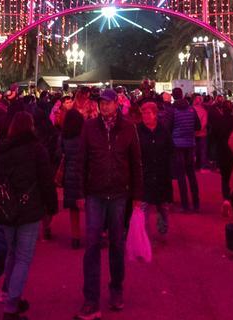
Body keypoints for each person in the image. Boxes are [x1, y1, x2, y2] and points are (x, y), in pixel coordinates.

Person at [75, 92, 142, 320]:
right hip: (95, 193)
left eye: (108, 103)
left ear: (117, 104)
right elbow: (81, 160)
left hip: (119, 194)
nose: (104, 107)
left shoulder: (128, 129)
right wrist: (80, 193)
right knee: (92, 246)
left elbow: (136, 163)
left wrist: (137, 195)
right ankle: (91, 298)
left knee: (117, 244)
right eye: (101, 103)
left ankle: (116, 290)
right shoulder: (89, 128)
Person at [0, 113, 57, 320]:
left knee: (13, 253)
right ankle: (11, 305)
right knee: (23, 257)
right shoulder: (36, 149)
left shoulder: (3, 149)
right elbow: (46, 179)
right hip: (29, 208)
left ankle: (11, 293)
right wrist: (51, 205)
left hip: (8, 208)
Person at [135, 101, 173, 236]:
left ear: (155, 114)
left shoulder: (163, 130)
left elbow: (170, 150)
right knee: (144, 205)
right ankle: (143, 234)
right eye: (143, 113)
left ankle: (163, 228)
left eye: (148, 113)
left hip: (161, 173)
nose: (145, 116)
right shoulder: (137, 131)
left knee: (162, 205)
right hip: (145, 173)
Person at [57, 109, 84, 249]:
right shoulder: (84, 136)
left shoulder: (63, 137)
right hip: (83, 173)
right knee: (90, 205)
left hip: (69, 173)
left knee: (74, 208)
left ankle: (75, 236)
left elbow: (59, 153)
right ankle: (94, 234)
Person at [168, 89, 200, 213]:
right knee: (191, 175)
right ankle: (196, 203)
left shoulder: (173, 111)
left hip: (177, 146)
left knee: (181, 176)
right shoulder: (192, 110)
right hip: (190, 145)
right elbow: (198, 126)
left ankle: (185, 204)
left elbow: (169, 127)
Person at [208, 96, 233, 215]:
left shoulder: (218, 121)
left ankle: (226, 199)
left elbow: (212, 137)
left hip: (222, 152)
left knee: (224, 178)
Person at [192, 96, 209, 171]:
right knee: (202, 150)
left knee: (194, 151)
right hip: (202, 133)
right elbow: (204, 123)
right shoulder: (203, 111)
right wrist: (200, 129)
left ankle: (194, 166)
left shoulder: (191, 110)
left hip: (193, 133)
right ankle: (202, 166)